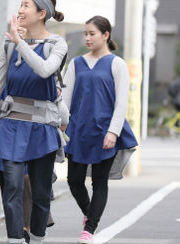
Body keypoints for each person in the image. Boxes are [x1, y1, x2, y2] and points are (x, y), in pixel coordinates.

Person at [0, 0, 68, 244]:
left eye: (26, 6)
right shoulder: (10, 44)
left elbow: (45, 70)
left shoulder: (57, 44)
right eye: (20, 5)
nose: (20, 10)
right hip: (11, 126)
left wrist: (21, 44)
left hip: (42, 127)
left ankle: (37, 237)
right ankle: (15, 239)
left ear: (41, 14)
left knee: (41, 193)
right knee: (12, 187)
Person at [62, 16, 138, 244]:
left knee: (99, 181)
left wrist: (113, 131)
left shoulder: (117, 64)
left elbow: (121, 103)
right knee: (74, 180)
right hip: (79, 131)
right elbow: (65, 99)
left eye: (92, 33)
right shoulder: (76, 64)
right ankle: (90, 213)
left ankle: (90, 229)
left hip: (105, 132)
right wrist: (64, 125)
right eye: (85, 33)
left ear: (106, 35)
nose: (87, 37)